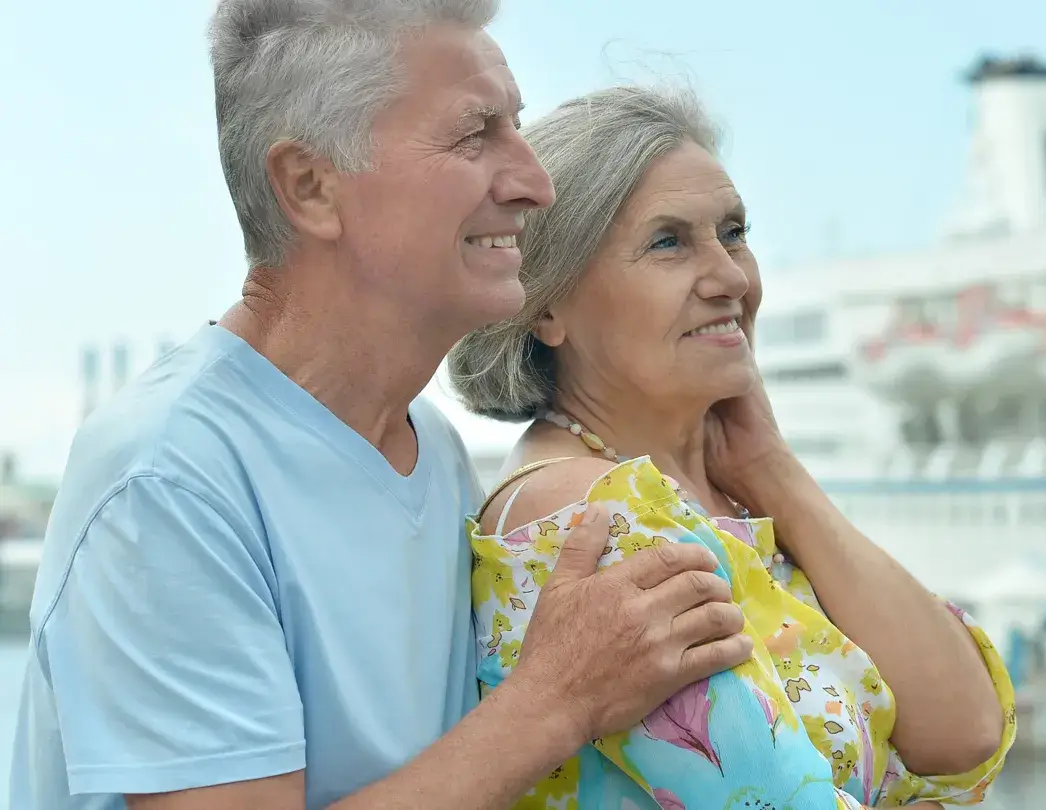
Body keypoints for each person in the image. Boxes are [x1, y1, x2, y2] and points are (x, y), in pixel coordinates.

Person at [8, 2, 753, 808]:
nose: (534, 182)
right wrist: (558, 700)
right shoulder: (165, 480)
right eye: (476, 135)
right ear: (309, 186)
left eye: (518, 127)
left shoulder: (430, 450)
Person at [444, 85, 1019, 809]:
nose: (730, 279)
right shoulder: (586, 518)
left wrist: (776, 473)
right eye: (669, 242)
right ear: (547, 304)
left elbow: (966, 736)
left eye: (734, 233)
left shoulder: (724, 493)